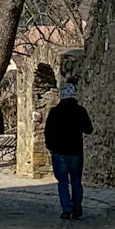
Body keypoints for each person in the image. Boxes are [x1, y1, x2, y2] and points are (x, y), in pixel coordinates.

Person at [43, 81, 93, 221]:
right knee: (76, 181)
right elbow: (89, 129)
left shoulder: (54, 112)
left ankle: (66, 209)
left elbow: (48, 132)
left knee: (63, 182)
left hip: (59, 152)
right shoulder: (80, 111)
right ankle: (77, 209)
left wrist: (50, 147)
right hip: (75, 152)